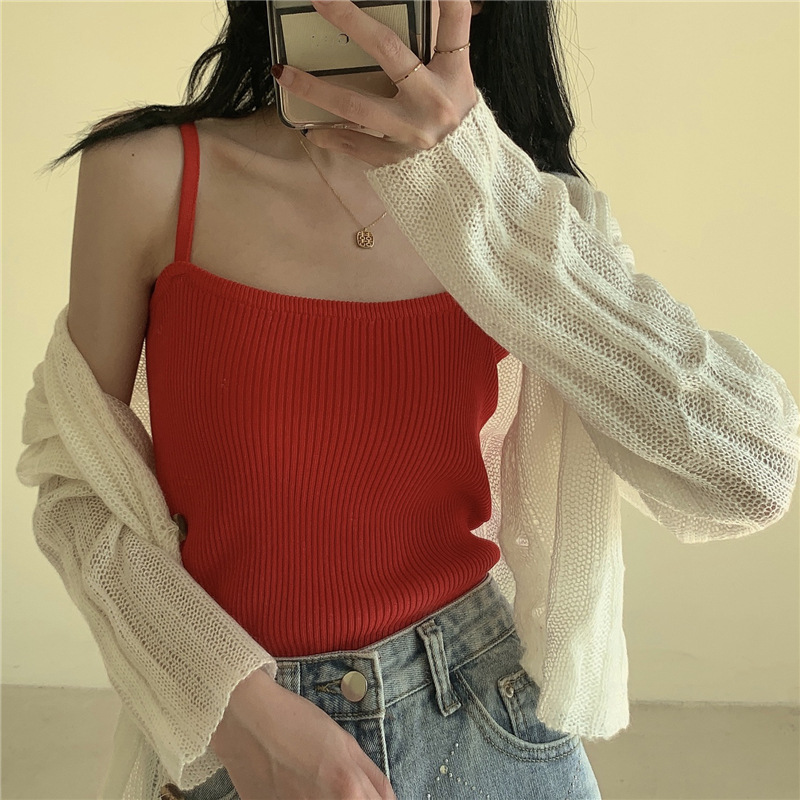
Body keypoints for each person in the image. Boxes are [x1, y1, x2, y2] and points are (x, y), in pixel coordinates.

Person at [16, 1, 799, 799]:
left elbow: (753, 474)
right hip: (239, 749)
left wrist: (474, 183)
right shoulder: (147, 175)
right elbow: (76, 489)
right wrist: (239, 713)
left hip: (489, 722)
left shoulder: (527, 215)